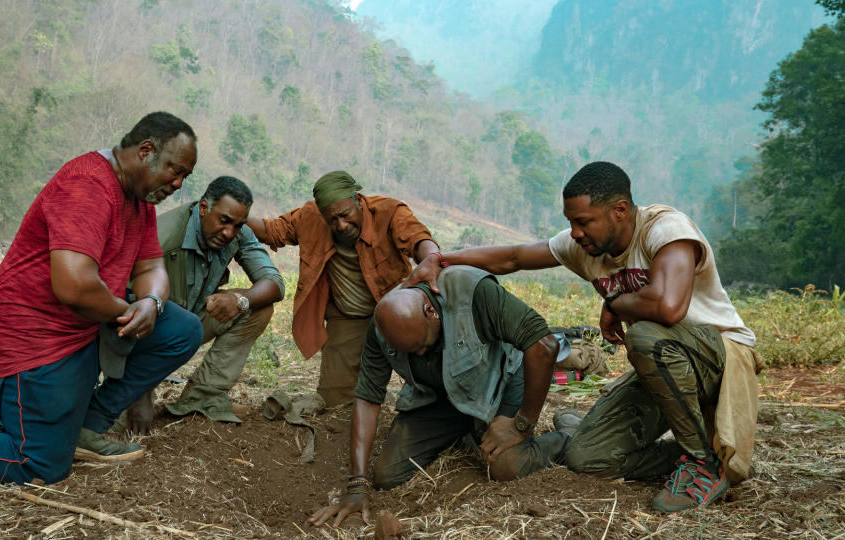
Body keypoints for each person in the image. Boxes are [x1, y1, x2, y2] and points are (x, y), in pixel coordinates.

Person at [403, 161, 763, 513]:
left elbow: (670, 308)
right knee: (587, 457)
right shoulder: (585, 247)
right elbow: (513, 258)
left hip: (720, 358)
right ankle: (689, 453)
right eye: (570, 222)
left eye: (583, 221)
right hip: (665, 372)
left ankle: (703, 464)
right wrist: (440, 258)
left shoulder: (666, 230)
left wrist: (617, 303)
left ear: (620, 210)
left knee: (647, 339)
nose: (575, 232)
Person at [0, 112, 204, 484]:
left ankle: (87, 426)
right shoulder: (88, 184)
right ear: (146, 151)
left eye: (186, 175)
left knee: (181, 329)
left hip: (83, 326)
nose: (178, 182)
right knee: (39, 463)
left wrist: (151, 304)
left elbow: (151, 267)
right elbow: (73, 287)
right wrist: (126, 312)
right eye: (175, 170)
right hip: (30, 330)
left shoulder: (140, 201)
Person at [307, 265, 559, 527]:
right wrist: (357, 485)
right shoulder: (383, 325)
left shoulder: (472, 292)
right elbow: (368, 398)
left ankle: (564, 439)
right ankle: (469, 428)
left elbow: (544, 345)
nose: (418, 356)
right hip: (442, 395)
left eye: (422, 346)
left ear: (431, 312)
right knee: (387, 475)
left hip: (500, 382)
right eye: (409, 352)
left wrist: (521, 423)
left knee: (505, 466)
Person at [247, 171, 440, 406]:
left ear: (358, 200)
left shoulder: (389, 212)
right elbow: (271, 231)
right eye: (332, 220)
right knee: (335, 399)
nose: (341, 225)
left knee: (430, 384)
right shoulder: (310, 217)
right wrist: (235, 215)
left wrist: (431, 258)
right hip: (348, 318)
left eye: (345, 215)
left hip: (396, 313)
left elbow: (417, 238)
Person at [123, 176, 284, 433]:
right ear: (203, 208)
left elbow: (274, 283)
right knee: (115, 420)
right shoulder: (162, 237)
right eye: (224, 221)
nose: (229, 232)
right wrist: (140, 392)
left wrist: (240, 301)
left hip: (189, 324)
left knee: (258, 305)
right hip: (147, 336)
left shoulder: (237, 234)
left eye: (238, 225)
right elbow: (126, 314)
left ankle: (202, 396)